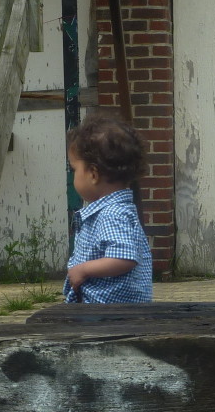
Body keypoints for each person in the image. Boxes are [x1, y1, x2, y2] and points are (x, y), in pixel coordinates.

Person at [63, 113, 152, 304]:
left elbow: (124, 258)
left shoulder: (113, 214)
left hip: (110, 311)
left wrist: (83, 270)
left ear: (93, 174)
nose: (73, 175)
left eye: (74, 169)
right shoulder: (114, 211)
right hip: (106, 310)